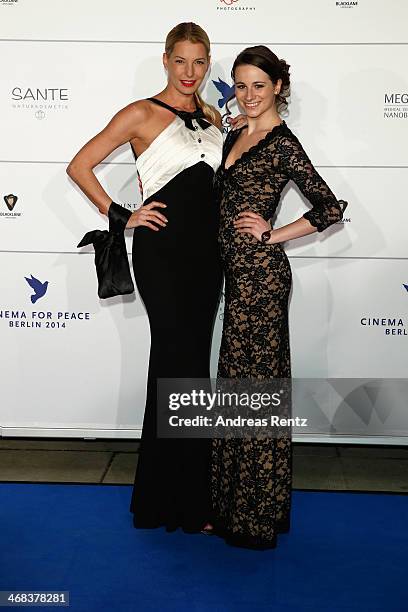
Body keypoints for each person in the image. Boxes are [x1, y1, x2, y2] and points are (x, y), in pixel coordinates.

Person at [67, 22, 246, 534]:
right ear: (165, 60)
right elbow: (80, 166)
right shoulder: (141, 113)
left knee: (190, 369)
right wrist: (123, 215)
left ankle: (171, 496)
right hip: (162, 255)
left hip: (207, 257)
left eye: (199, 62)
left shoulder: (213, 118)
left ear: (207, 64)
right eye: (180, 61)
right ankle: (181, 501)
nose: (189, 72)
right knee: (178, 361)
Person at [210, 45, 348, 549]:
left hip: (263, 280)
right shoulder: (234, 134)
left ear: (279, 89)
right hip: (236, 278)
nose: (248, 95)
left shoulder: (283, 142)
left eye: (259, 86)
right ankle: (231, 505)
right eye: (240, 85)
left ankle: (256, 517)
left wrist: (274, 234)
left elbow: (330, 207)